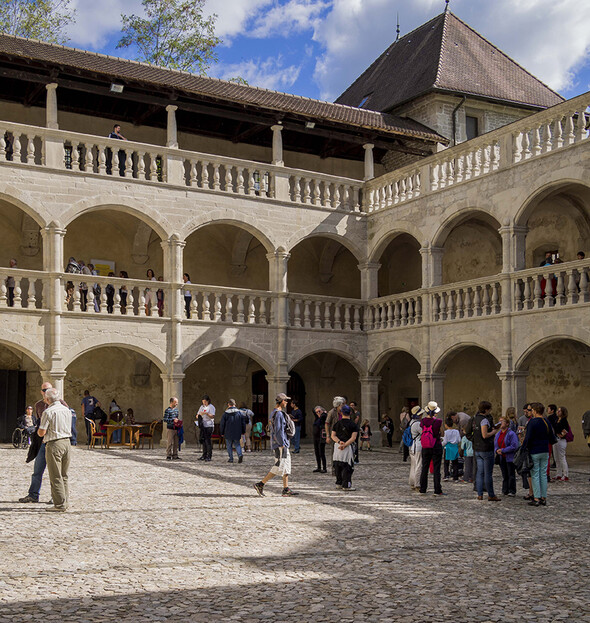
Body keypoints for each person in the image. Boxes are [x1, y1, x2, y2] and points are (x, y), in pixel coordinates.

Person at [253, 393, 298, 497]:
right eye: (286, 400)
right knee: (280, 466)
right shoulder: (278, 414)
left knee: (284, 466)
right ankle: (261, 484)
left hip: (278, 444)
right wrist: (282, 443)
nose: (287, 402)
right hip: (280, 444)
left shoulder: (274, 413)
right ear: (282, 401)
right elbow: (278, 430)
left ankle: (285, 488)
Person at [37, 388, 72, 512]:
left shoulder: (48, 412)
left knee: (55, 475)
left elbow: (42, 432)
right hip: (67, 442)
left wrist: (39, 432)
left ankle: (59, 504)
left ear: (47, 399)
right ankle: (65, 501)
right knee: (64, 475)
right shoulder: (67, 410)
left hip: (54, 443)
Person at [522, 402, 554, 507]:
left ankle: (536, 497)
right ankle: (543, 497)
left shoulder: (533, 422)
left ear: (535, 411)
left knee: (535, 474)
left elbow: (528, 437)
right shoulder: (546, 421)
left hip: (535, 450)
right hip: (545, 450)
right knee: (543, 474)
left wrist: (523, 448)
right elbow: (551, 436)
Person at [471, 400, 501, 502]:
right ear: (486, 409)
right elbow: (485, 435)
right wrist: (493, 431)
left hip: (477, 448)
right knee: (487, 473)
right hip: (485, 448)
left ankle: (480, 494)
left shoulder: (475, 418)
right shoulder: (484, 420)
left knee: (480, 472)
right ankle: (491, 494)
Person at [419, 401, 444, 496]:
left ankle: (423, 488)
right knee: (436, 468)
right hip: (436, 445)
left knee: (424, 467)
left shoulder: (423, 421)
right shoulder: (438, 421)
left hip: (425, 446)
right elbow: (442, 433)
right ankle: (437, 489)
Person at [331, 405, 358, 491]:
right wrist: (345, 444)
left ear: (341, 413)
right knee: (347, 466)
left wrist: (339, 442)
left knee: (338, 465)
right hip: (347, 447)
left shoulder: (337, 424)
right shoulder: (353, 425)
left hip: (338, 447)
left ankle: (338, 482)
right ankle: (346, 484)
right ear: (350, 413)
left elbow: (333, 435)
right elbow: (353, 438)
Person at [494, 415, 519, 496]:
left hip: (509, 457)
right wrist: (497, 450)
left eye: (502, 421)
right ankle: (505, 489)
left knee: (511, 474)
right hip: (501, 457)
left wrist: (504, 450)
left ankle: (512, 490)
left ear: (507, 423)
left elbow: (514, 445)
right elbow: (496, 444)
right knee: (504, 474)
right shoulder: (498, 434)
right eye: (499, 421)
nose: (500, 423)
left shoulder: (511, 434)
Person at [219, 399, 246, 463]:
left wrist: (222, 432)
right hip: (237, 431)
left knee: (229, 445)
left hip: (228, 431)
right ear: (235, 404)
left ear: (228, 405)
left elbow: (222, 424)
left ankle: (231, 458)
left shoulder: (225, 414)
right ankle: (240, 455)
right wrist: (243, 431)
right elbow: (243, 423)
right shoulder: (239, 413)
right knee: (237, 444)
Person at [553, 406, 571, 481]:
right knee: (556, 457)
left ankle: (565, 474)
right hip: (556, 439)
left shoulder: (564, 420)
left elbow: (566, 430)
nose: (558, 412)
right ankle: (559, 473)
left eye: (559, 411)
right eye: (558, 410)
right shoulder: (557, 419)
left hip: (561, 440)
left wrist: (561, 435)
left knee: (562, 457)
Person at [408, 406, 424, 491]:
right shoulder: (417, 424)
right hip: (418, 446)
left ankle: (412, 482)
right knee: (418, 465)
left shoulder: (411, 422)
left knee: (413, 465)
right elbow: (423, 432)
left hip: (412, 446)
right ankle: (417, 483)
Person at [442, 416, 461, 482]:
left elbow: (445, 441)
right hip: (454, 447)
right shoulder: (456, 431)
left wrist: (441, 444)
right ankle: (455, 477)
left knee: (446, 462)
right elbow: (459, 440)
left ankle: (446, 475)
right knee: (455, 463)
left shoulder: (446, 432)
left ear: (446, 425)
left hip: (447, 448)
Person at [197, 395, 215, 461]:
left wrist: (206, 414)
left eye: (205, 402)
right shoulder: (201, 407)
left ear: (208, 401)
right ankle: (204, 454)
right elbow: (197, 414)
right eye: (203, 402)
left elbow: (212, 416)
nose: (204, 403)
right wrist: (199, 415)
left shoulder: (211, 407)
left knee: (208, 441)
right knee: (203, 440)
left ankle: (209, 455)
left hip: (209, 425)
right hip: (203, 425)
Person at [312, 405, 327, 473]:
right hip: (316, 436)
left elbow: (319, 423)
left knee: (321, 452)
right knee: (317, 452)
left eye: (319, 411)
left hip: (321, 436)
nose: (318, 413)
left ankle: (324, 467)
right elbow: (313, 410)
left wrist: (322, 413)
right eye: (317, 412)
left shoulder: (324, 416)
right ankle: (319, 467)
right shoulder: (317, 417)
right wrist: (317, 413)